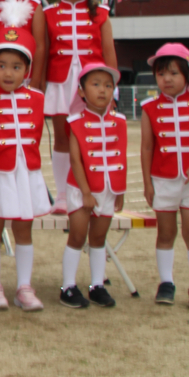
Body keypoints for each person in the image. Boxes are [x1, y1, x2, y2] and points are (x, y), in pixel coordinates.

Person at [0, 0, 48, 312]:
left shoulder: (38, 98)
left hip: (26, 173)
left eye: (16, 67)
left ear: (27, 70)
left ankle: (24, 287)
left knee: (23, 230)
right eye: (1, 65)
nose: (8, 72)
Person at [43, 0, 115, 214]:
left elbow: (109, 54)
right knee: (62, 138)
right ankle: (62, 194)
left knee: (91, 137)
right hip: (60, 83)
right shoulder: (47, 13)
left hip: (93, 84)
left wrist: (111, 89)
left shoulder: (102, 13)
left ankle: (94, 190)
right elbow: (43, 53)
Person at [140, 42, 189, 310]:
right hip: (162, 180)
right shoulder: (149, 107)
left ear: (188, 75)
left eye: (173, 73)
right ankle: (166, 282)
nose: (167, 79)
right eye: (161, 74)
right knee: (165, 233)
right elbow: (147, 147)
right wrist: (148, 183)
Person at [61, 59, 127, 310]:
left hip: (109, 188)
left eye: (108, 86)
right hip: (81, 189)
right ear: (81, 91)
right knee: (77, 236)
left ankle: (97, 285)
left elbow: (121, 154)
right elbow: (75, 161)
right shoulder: (75, 122)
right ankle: (67, 287)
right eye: (96, 84)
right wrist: (86, 193)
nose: (102, 90)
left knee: (99, 238)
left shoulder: (119, 121)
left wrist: (119, 190)